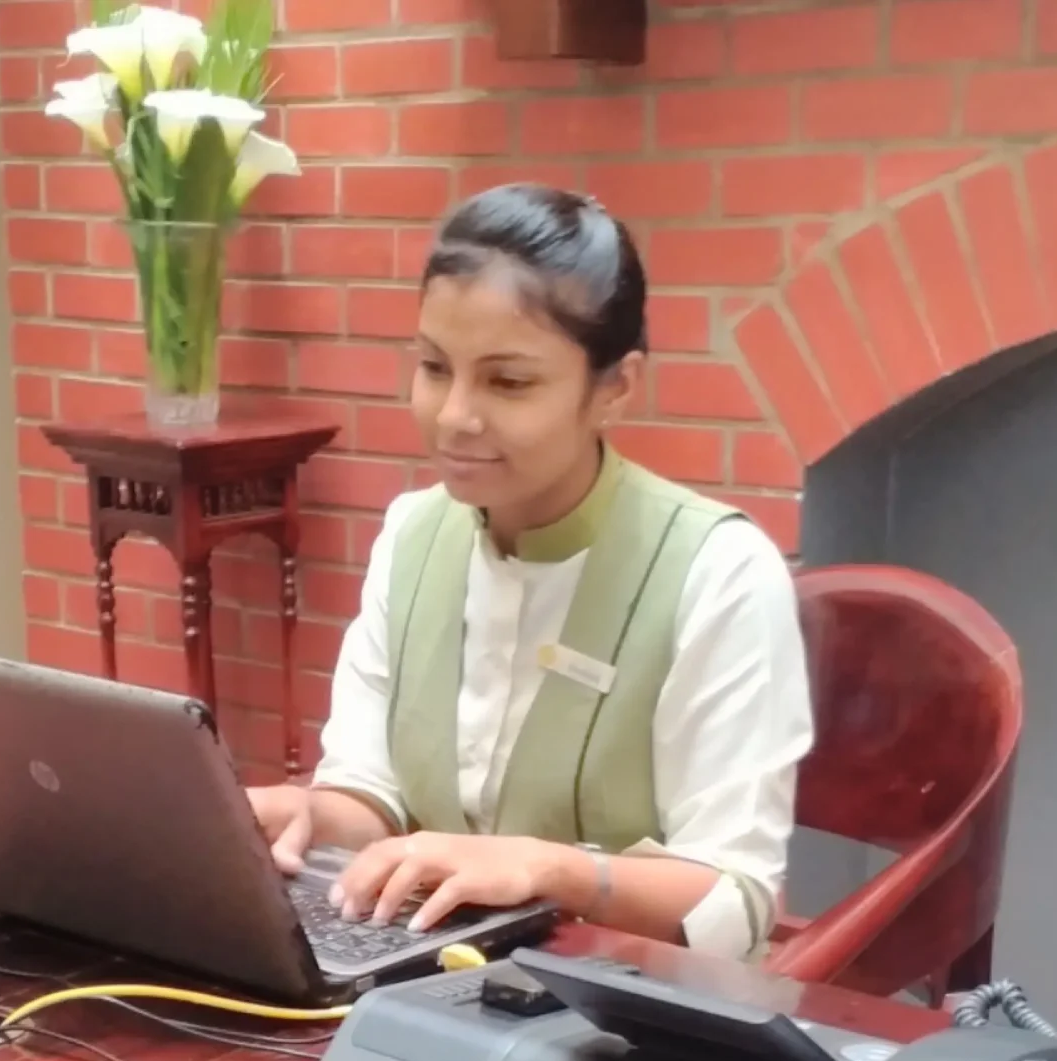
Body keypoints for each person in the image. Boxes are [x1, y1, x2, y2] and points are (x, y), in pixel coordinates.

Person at [247, 184, 814, 961]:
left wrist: (551, 870)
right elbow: (373, 796)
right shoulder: (412, 536)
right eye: (434, 367)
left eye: (508, 382)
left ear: (615, 387)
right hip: (424, 980)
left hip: (625, 1004)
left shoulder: (719, 572)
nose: (455, 415)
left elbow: (735, 898)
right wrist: (309, 815)